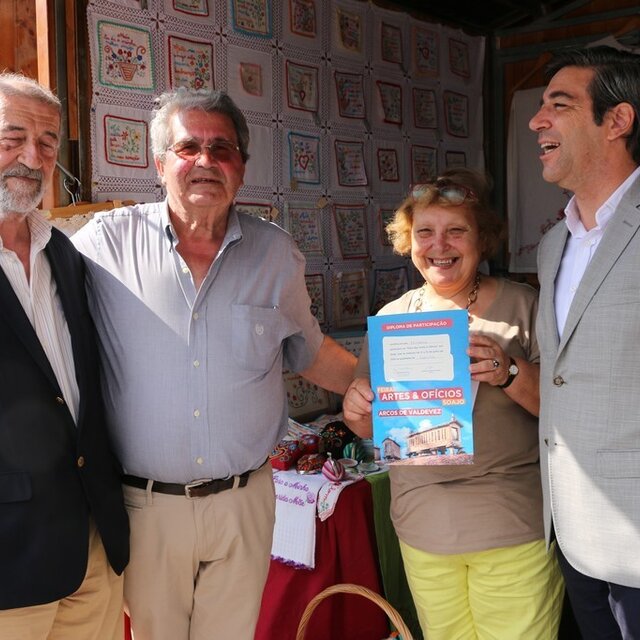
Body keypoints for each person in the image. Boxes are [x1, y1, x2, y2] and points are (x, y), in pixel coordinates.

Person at [72, 88, 356, 640]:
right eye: (188, 147)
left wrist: (391, 386)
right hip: (146, 507)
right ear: (160, 164)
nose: (206, 160)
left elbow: (311, 351)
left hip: (244, 503)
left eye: (222, 148)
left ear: (241, 168)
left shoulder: (276, 254)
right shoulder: (104, 246)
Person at [342, 168, 564, 639]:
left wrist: (508, 371)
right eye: (425, 231)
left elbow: (567, 408)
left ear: (482, 239)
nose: (439, 245)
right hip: (423, 532)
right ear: (409, 241)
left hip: (511, 528)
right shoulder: (392, 318)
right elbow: (372, 427)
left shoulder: (525, 306)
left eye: (456, 230)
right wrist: (356, 410)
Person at [0, 74, 129, 639]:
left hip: (91, 544)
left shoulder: (67, 254)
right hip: (9, 559)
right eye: (12, 138)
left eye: (47, 142)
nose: (32, 157)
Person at [529, 45, 640, 638]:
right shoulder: (554, 245)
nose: (536, 121)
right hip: (572, 530)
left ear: (617, 120)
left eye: (559, 104)